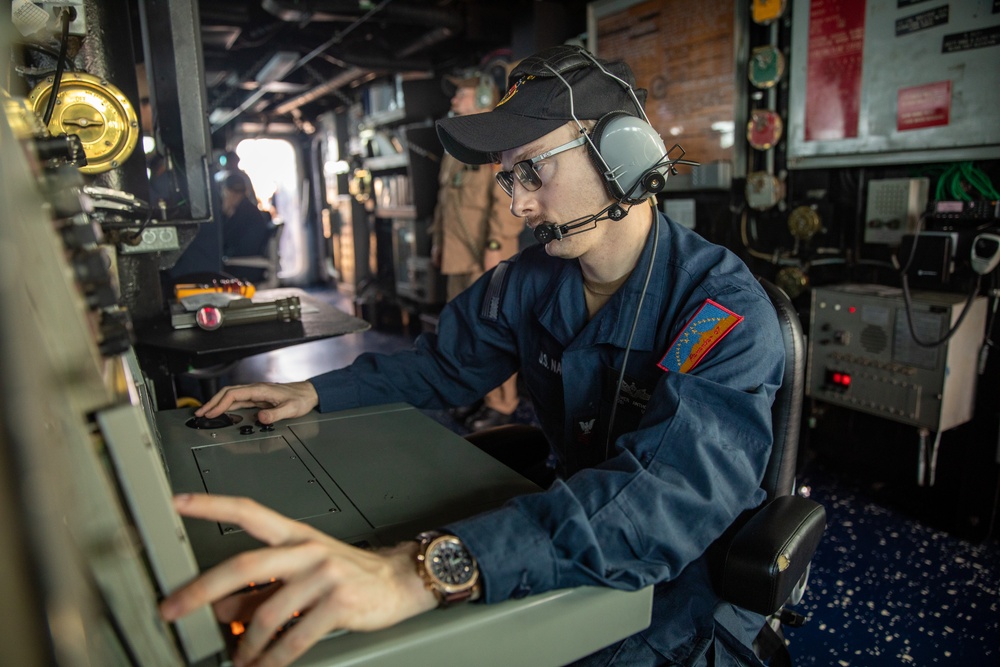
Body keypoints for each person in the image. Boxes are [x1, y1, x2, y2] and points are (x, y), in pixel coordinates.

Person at [160, 44, 785, 667]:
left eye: (534, 171)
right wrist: (318, 393)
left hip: (682, 589)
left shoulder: (722, 313)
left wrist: (422, 571)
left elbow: (667, 501)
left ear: (621, 157)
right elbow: (441, 367)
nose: (519, 205)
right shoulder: (527, 280)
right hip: (563, 530)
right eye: (509, 178)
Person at [430, 70, 524, 430]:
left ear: (484, 98)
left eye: (462, 95)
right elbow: (444, 201)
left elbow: (505, 199)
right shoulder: (457, 144)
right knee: (460, 330)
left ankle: (501, 405)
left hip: (483, 252)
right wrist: (438, 240)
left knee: (492, 330)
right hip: (456, 252)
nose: (454, 101)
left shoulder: (492, 140)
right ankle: (471, 394)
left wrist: (496, 245)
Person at [220, 173, 274, 284]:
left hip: (245, 269)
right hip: (249, 265)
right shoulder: (248, 210)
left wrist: (225, 212)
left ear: (227, 191)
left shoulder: (243, 215)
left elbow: (227, 241)